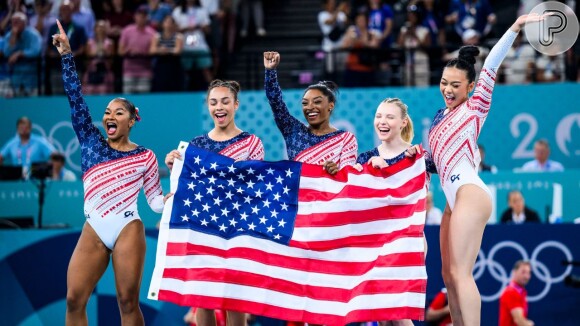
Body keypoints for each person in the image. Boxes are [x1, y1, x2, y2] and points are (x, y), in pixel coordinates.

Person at [421, 13, 549, 325]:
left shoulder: (474, 108)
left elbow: (491, 65)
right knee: (448, 276)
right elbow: (432, 163)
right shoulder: (439, 119)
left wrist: (516, 26)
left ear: (470, 87)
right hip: (452, 200)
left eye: (455, 85)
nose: (447, 90)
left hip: (470, 194)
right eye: (443, 83)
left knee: (462, 274)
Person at [52, 19, 166, 324]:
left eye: (118, 112)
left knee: (127, 302)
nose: (109, 116)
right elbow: (76, 98)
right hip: (94, 226)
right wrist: (66, 56)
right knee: (74, 299)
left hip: (128, 226)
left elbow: (155, 202)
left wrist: (172, 197)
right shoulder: (91, 142)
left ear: (131, 121)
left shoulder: (145, 155)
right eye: (107, 112)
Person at [165, 78, 264, 326]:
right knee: (203, 298)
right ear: (208, 106)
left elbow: (256, 184)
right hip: (204, 228)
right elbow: (190, 189)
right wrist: (174, 169)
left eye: (225, 101)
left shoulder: (251, 143)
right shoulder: (197, 146)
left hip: (238, 228)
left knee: (234, 299)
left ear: (236, 104)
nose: (219, 107)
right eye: (213, 102)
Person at [353, 97, 417, 326]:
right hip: (375, 242)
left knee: (397, 313)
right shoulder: (365, 158)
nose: (382, 121)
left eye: (390, 116)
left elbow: (415, 199)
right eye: (379, 116)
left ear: (403, 123)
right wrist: (366, 171)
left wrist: (390, 171)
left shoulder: (417, 157)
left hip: (404, 241)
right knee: (381, 315)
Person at [264, 51, 358, 175]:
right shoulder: (293, 131)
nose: (310, 107)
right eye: (305, 103)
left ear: (331, 105)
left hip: (332, 194)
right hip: (298, 194)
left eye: (317, 102)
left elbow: (349, 177)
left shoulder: (345, 139)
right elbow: (276, 102)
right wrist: (270, 72)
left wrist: (336, 171)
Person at [499, 260, 534, 326]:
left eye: (528, 273)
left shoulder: (521, 292)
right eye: (523, 272)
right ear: (514, 272)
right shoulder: (511, 292)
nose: (526, 276)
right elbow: (519, 321)